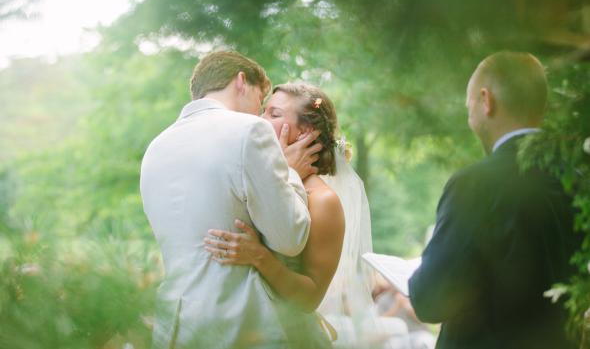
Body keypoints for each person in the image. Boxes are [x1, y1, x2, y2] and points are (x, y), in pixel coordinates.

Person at [140, 51, 323, 349]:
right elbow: (290, 237)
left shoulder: (155, 148)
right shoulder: (249, 130)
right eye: (259, 101)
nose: (258, 113)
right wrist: (288, 170)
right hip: (238, 326)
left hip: (173, 329)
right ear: (241, 81)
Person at [408, 51, 584, 349]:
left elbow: (430, 301)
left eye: (469, 106)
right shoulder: (580, 181)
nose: (469, 116)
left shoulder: (475, 184)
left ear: (486, 101)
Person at [204, 84, 381, 348]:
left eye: (274, 115)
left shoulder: (323, 202)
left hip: (286, 336)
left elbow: (310, 298)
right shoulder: (252, 177)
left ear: (305, 132)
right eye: (263, 111)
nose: (260, 119)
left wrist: (259, 257)